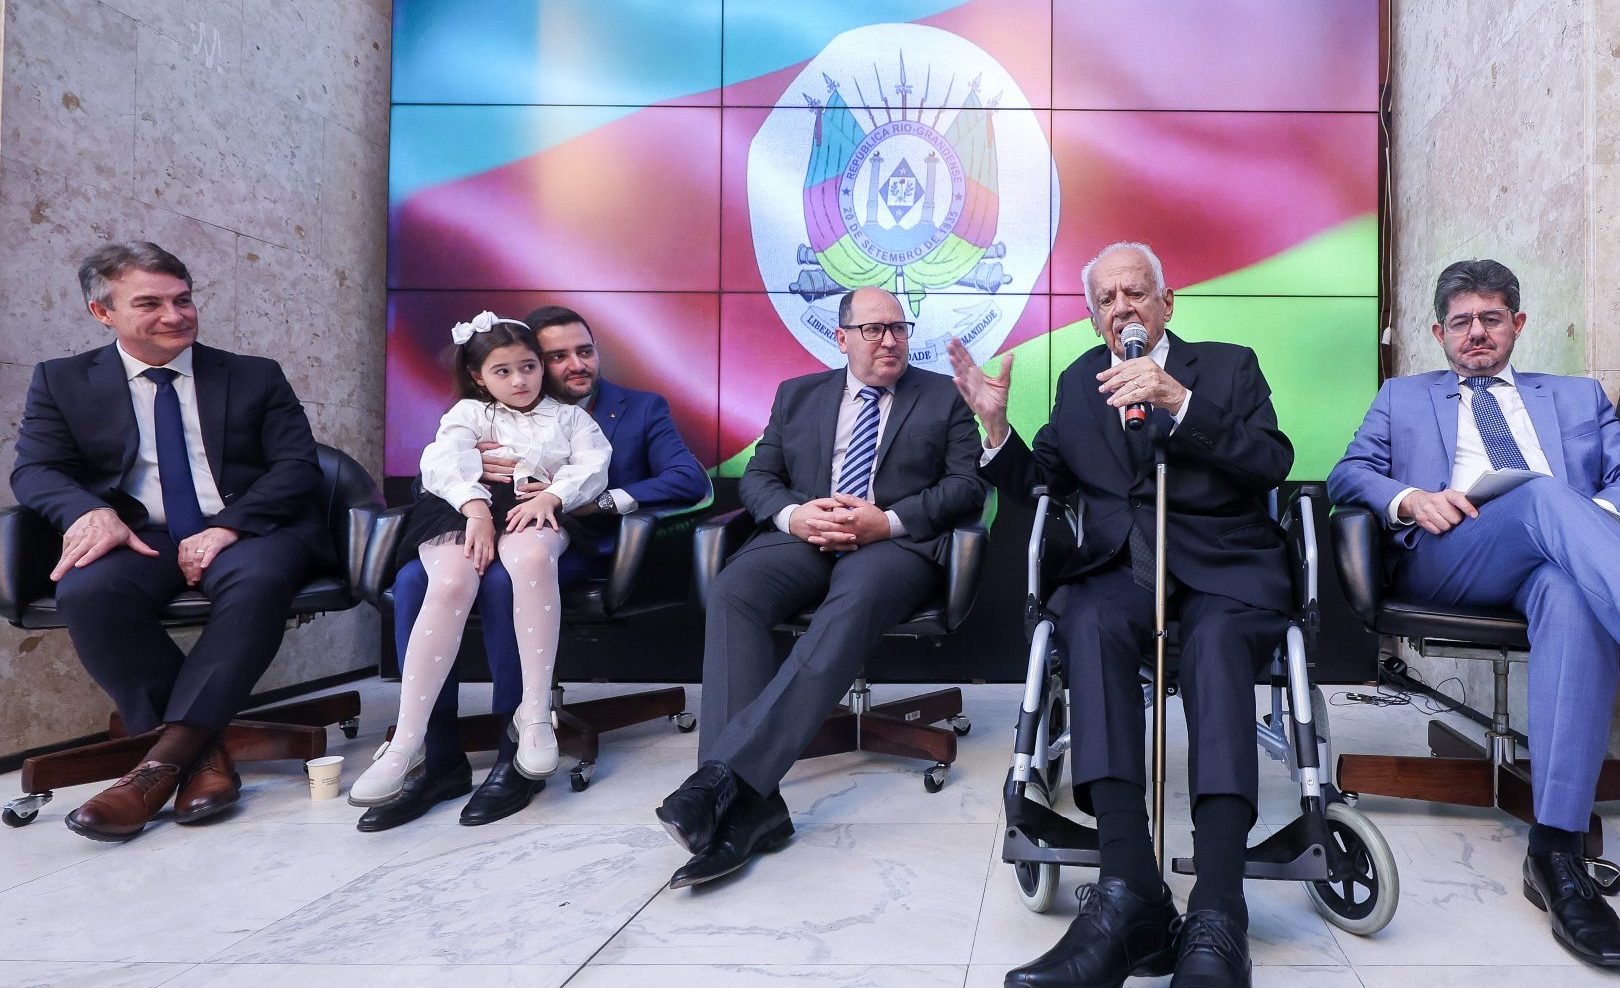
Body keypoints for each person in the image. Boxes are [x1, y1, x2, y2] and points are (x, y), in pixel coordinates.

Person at [949, 242, 1292, 988]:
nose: (1121, 308)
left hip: (1223, 568)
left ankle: (1219, 906)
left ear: (1166, 303)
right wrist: (997, 431)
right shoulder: (1080, 381)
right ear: (1093, 316)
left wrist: (1180, 402)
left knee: (1216, 644)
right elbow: (1044, 480)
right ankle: (1129, 890)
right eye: (1106, 299)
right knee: (1091, 623)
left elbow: (1272, 461)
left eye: (1134, 293)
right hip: (1121, 569)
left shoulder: (1227, 366)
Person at [1329, 258, 1620, 969]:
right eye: (1461, 322)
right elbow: (1349, 472)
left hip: (1559, 559)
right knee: (1544, 496)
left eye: (1491, 318)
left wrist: (1592, 519)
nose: (1476, 333)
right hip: (1454, 554)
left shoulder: (1578, 395)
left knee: (1571, 596)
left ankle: (1555, 855)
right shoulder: (1402, 396)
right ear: (1440, 334)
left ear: (1517, 323)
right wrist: (1410, 499)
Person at [655, 286, 987, 889]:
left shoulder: (943, 397)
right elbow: (760, 478)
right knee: (735, 591)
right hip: (804, 538)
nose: (890, 340)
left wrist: (887, 520)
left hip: (893, 547)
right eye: (873, 329)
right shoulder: (798, 394)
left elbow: (966, 487)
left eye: (899, 328)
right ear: (842, 338)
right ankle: (750, 805)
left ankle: (722, 786)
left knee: (853, 599)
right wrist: (794, 516)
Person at [11, 241, 331, 842]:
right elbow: (35, 469)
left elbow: (296, 467)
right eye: (150, 304)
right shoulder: (62, 380)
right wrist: (90, 513)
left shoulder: (254, 374)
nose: (175, 315)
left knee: (259, 579)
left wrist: (229, 526)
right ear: (102, 312)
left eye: (183, 300)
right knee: (88, 591)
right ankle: (202, 755)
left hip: (247, 526)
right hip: (141, 534)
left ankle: (155, 769)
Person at [360, 305, 709, 830]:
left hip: (572, 541)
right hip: (485, 523)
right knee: (414, 580)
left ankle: (515, 752)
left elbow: (688, 478)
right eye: (558, 355)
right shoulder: (478, 412)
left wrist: (591, 502)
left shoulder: (636, 408)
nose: (575, 364)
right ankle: (437, 754)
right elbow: (431, 474)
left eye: (584, 351)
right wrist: (478, 469)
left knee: (503, 581)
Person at [346, 312, 612, 806]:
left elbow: (594, 465)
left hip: (533, 506)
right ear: (478, 376)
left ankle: (533, 715)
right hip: (463, 510)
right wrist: (475, 508)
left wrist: (553, 494)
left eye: (529, 367)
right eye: (503, 371)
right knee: (448, 582)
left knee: (531, 560)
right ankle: (409, 741)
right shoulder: (468, 414)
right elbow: (440, 461)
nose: (520, 380)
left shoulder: (571, 417)